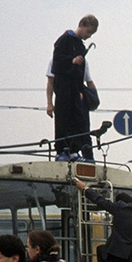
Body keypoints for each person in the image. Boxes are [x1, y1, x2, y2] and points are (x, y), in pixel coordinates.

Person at [51, 14, 98, 160]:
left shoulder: (80, 45)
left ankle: (73, 149)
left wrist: (80, 90)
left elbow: (81, 70)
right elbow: (56, 62)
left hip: (75, 87)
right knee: (63, 117)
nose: (88, 36)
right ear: (82, 25)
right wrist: (71, 60)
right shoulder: (64, 40)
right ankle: (62, 150)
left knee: (76, 118)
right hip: (63, 85)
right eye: (88, 32)